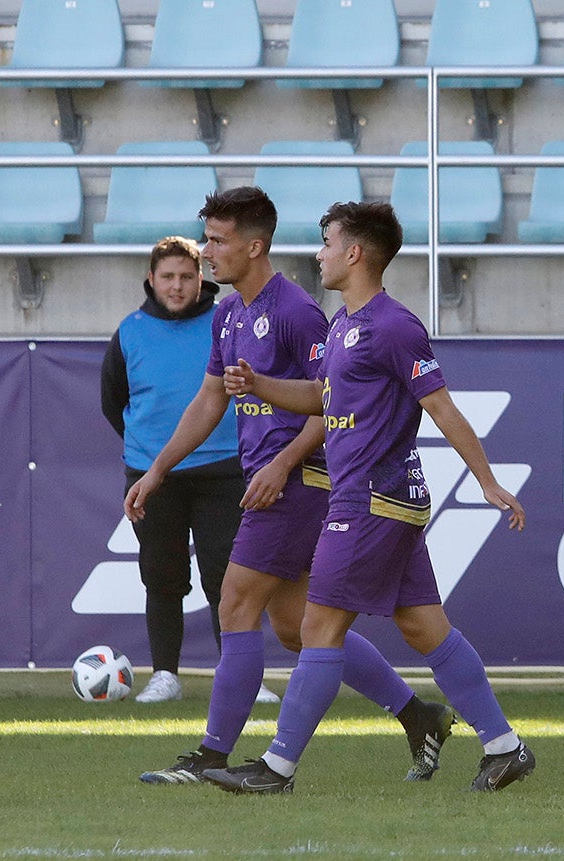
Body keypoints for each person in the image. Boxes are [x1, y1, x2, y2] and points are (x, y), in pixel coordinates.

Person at [207, 200, 535, 794]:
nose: (320, 253)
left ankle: (276, 767)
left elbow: (441, 406)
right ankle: (505, 745)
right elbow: (321, 398)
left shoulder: (394, 325)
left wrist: (486, 481)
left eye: (328, 242)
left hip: (371, 502)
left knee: (320, 626)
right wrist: (258, 385)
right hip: (379, 502)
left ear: (354, 253)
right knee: (424, 628)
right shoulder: (343, 323)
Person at [128, 188, 455, 786]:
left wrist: (282, 464)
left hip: (299, 481)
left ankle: (213, 755)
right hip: (270, 479)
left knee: (235, 602)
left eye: (218, 241)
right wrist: (158, 469)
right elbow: (210, 400)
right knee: (297, 625)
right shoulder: (226, 314)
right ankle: (419, 715)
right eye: (207, 238)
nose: (206, 253)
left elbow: (328, 403)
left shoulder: (297, 311)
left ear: (255, 246)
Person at [100, 236, 243, 704]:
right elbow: (113, 403)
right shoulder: (129, 331)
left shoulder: (228, 322)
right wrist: (151, 449)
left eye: (187, 276)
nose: (178, 286)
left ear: (201, 278)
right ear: (151, 280)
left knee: (228, 577)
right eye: (168, 277)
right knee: (162, 576)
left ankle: (241, 675)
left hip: (224, 471)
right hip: (150, 475)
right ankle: (165, 674)